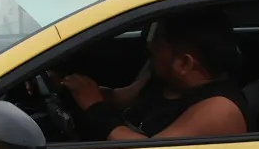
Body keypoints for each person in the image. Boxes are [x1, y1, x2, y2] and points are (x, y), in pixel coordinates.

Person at [60, 10, 248, 140]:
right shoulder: (166, 81)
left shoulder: (220, 110)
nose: (150, 46)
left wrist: (95, 109)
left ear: (184, 63)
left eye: (158, 40)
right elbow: (116, 98)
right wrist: (68, 87)